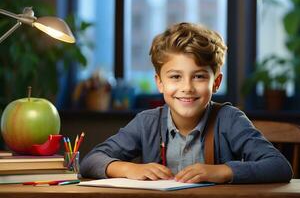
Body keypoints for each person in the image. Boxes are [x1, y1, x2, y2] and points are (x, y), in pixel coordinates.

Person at [80, 22, 293, 183]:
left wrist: (222, 171)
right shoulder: (147, 123)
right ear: (160, 82)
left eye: (199, 76)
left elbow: (279, 167)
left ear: (216, 82)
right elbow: (90, 161)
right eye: (175, 77)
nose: (187, 87)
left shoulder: (229, 120)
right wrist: (129, 169)